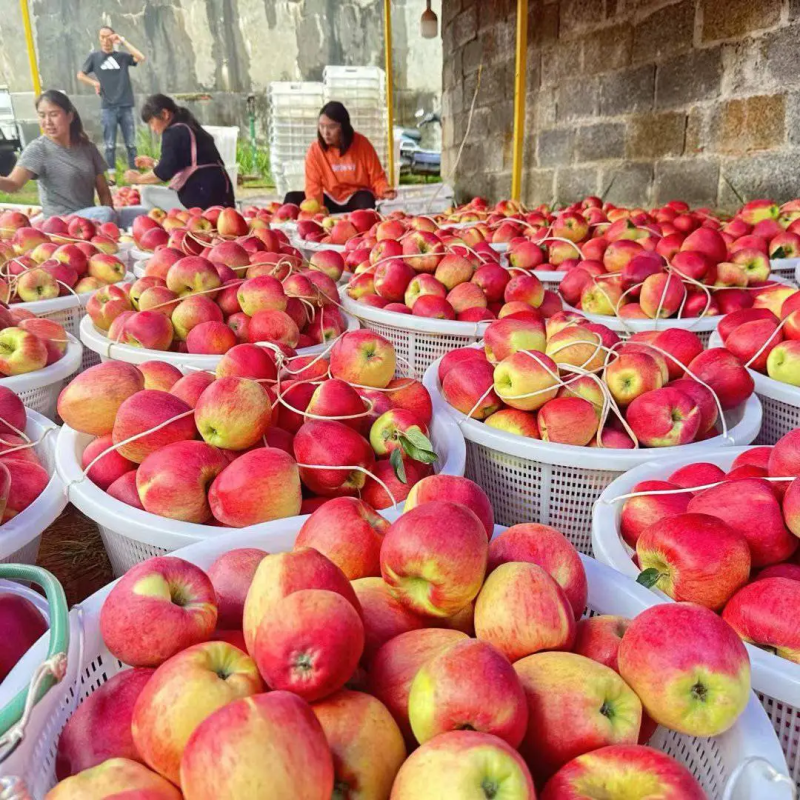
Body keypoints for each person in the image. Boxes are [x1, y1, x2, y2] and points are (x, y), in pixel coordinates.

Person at [0, 90, 146, 226]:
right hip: (61, 224)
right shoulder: (38, 149)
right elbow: (13, 184)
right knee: (104, 213)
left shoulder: (87, 147)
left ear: (69, 116)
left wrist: (110, 226)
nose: (48, 122)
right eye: (42, 115)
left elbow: (103, 189)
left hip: (89, 218)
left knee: (142, 214)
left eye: (54, 114)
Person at [124, 94, 235, 211]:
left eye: (152, 122)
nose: (153, 128)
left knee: (147, 193)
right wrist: (154, 163)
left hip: (201, 199)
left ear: (165, 114)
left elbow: (164, 173)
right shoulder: (188, 125)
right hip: (221, 195)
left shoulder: (173, 132)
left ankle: (157, 227)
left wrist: (138, 179)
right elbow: (178, 164)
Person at [283, 101, 396, 212]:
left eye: (331, 127)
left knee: (366, 199)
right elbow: (313, 187)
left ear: (343, 127)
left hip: (356, 198)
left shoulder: (362, 144)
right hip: (329, 199)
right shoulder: (314, 150)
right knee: (291, 199)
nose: (325, 132)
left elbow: (377, 178)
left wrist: (384, 190)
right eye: (321, 126)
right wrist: (317, 213)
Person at [77, 25, 145, 181]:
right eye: (102, 36)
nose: (105, 40)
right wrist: (94, 83)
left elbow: (140, 57)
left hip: (126, 105)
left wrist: (123, 41)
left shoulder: (121, 56)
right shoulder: (94, 58)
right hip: (108, 107)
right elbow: (80, 75)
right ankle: (112, 177)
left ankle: (134, 176)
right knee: (109, 144)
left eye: (108, 37)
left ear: (114, 38)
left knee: (131, 144)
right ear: (99, 38)